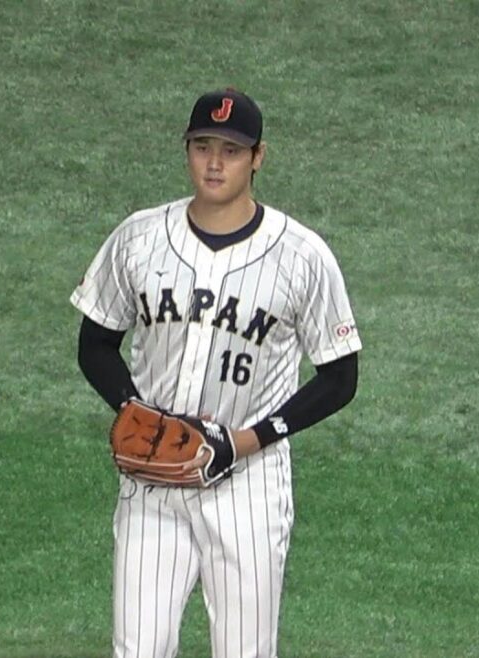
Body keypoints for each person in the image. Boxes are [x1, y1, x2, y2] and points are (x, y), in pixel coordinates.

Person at [71, 88, 362, 658]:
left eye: (231, 150)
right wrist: (138, 414)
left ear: (258, 158)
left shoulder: (302, 255)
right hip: (152, 482)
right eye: (203, 146)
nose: (214, 162)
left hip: (248, 487)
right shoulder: (139, 238)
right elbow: (96, 344)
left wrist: (246, 441)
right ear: (186, 150)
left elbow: (340, 377)